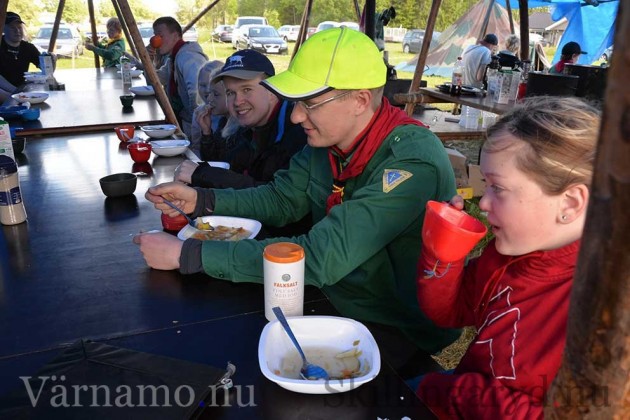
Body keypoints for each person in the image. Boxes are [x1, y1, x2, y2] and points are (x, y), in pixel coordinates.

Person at [134, 27, 461, 377]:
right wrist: (203, 199)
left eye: (309, 103)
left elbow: (322, 256)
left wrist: (188, 254)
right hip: (331, 299)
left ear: (361, 101)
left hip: (392, 327)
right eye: (296, 103)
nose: (295, 117)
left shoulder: (411, 161)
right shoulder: (328, 143)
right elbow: (280, 198)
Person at [414, 96, 600, 417]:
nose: (483, 203)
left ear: (569, 204)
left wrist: (455, 391)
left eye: (497, 188)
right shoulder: (508, 253)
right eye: (485, 184)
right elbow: (450, 312)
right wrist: (443, 254)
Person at [174, 49, 307, 191]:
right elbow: (225, 166)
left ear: (272, 91)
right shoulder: (245, 128)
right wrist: (207, 135)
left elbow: (277, 198)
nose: (237, 102)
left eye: (247, 89)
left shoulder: (298, 132)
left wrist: (203, 174)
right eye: (230, 93)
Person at [151, 16, 208, 137]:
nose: (156, 40)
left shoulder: (187, 56)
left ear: (175, 36)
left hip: (194, 125)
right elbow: (160, 77)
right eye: (155, 36)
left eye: (160, 36)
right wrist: (146, 60)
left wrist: (196, 128)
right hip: (183, 121)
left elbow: (197, 95)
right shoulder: (174, 57)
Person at [0, 12, 48, 102]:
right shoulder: (1, 46)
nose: (17, 31)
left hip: (20, 90)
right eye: (12, 28)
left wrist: (51, 60)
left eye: (19, 27)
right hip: (5, 91)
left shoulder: (28, 48)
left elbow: (45, 69)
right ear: (3, 29)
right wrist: (16, 92)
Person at [188, 60, 226, 154]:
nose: (207, 91)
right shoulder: (199, 113)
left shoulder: (231, 117)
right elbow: (196, 146)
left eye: (215, 92)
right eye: (202, 85)